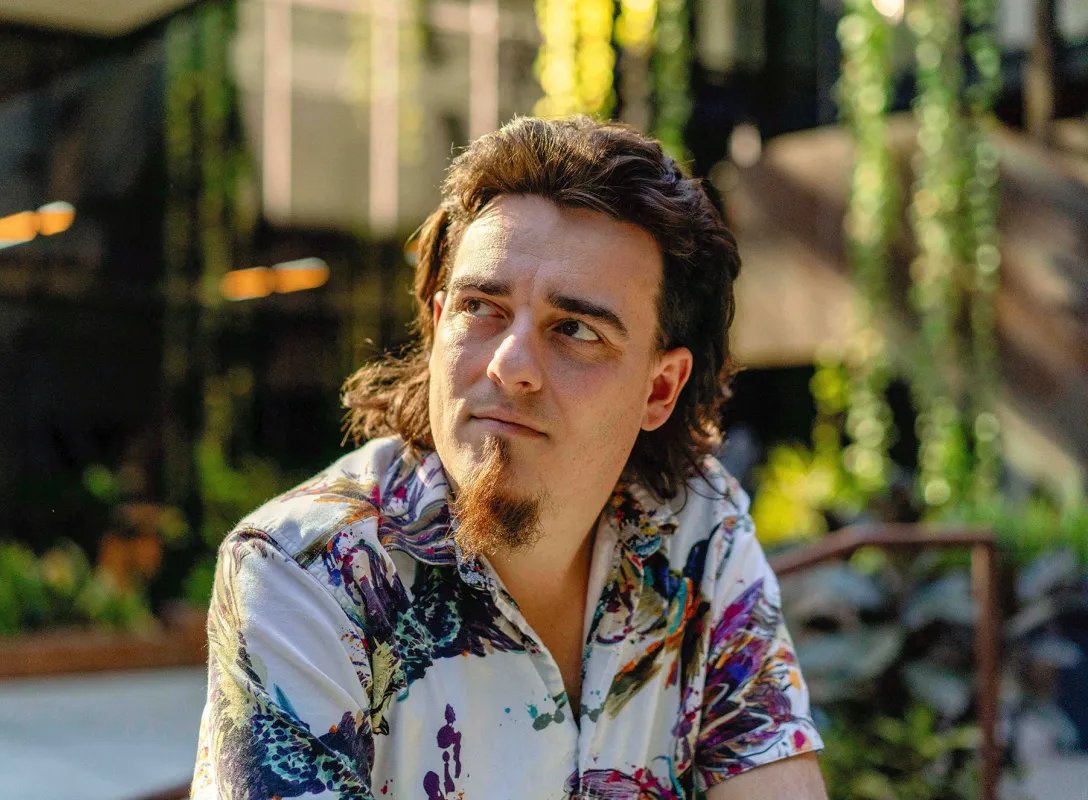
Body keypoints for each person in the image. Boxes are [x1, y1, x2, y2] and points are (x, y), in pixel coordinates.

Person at [191, 116, 826, 799]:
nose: (510, 363)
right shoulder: (311, 574)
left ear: (660, 389)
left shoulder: (699, 532)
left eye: (575, 329)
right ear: (438, 327)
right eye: (481, 307)